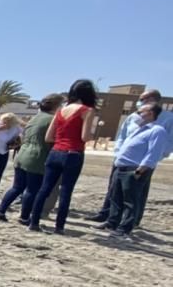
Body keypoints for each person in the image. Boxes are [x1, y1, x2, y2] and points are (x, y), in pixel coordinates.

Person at [89, 88, 173, 227]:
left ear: (152, 101)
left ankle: (130, 223)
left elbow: (166, 143)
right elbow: (123, 136)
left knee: (133, 194)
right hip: (122, 160)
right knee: (115, 190)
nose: (138, 104)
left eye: (142, 100)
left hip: (139, 163)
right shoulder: (135, 118)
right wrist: (119, 153)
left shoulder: (165, 121)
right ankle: (109, 217)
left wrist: (150, 162)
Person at [27, 79, 98, 233]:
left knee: (44, 189)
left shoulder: (61, 111)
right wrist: (93, 134)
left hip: (55, 152)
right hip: (73, 153)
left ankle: (34, 223)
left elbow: (48, 137)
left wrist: (62, 138)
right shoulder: (87, 111)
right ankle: (59, 227)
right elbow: (85, 137)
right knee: (65, 191)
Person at [0, 95, 63, 223]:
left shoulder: (34, 118)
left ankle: (1, 211)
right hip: (37, 157)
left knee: (17, 187)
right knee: (32, 189)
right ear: (56, 106)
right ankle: (24, 217)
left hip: (22, 155)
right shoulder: (52, 120)